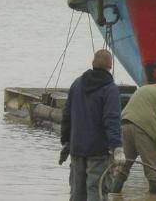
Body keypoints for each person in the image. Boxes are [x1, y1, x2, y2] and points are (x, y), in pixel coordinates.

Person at [60, 48, 123, 201]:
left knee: (77, 192)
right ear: (110, 67)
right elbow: (112, 120)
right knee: (96, 191)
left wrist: (66, 141)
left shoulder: (77, 84)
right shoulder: (110, 89)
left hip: (77, 148)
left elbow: (66, 115)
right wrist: (117, 148)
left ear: (93, 63)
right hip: (98, 150)